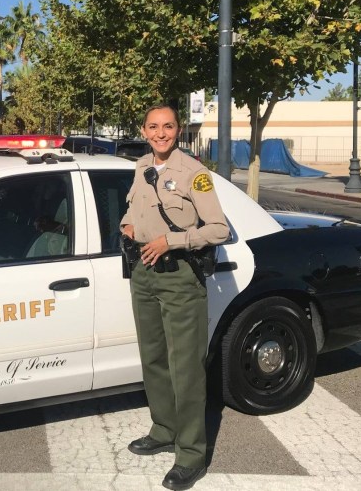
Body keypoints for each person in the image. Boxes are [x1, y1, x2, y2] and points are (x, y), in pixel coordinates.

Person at [120, 104, 230, 491]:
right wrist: (129, 226)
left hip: (181, 277)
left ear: (178, 130)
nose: (161, 133)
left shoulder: (195, 175)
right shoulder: (140, 167)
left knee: (186, 366)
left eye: (167, 126)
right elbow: (132, 212)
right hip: (144, 274)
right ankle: (164, 428)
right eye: (153, 127)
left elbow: (218, 229)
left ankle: (191, 453)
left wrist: (172, 241)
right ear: (144, 130)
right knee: (153, 358)